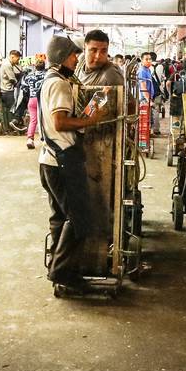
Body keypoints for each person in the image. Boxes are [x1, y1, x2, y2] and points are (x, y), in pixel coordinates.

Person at [38, 35, 109, 296]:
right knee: (79, 219)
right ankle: (63, 273)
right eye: (73, 55)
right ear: (60, 57)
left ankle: (57, 269)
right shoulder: (59, 84)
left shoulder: (51, 80)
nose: (76, 59)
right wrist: (91, 120)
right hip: (62, 161)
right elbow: (60, 123)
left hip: (49, 161)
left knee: (59, 217)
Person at [20, 53, 48, 150]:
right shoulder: (47, 75)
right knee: (44, 120)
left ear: (35, 67)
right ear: (44, 66)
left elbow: (24, 88)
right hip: (43, 100)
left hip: (32, 100)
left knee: (33, 120)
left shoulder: (29, 76)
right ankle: (45, 139)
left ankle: (30, 139)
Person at [137, 52, 160, 137]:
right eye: (146, 59)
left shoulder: (148, 70)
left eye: (150, 59)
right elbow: (143, 87)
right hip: (144, 99)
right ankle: (144, 137)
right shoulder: (142, 71)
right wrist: (148, 100)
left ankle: (148, 134)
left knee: (149, 118)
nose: (149, 61)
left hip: (148, 97)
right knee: (145, 119)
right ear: (142, 60)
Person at [0, 49, 24, 121]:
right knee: (13, 109)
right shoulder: (7, 65)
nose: (18, 61)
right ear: (12, 57)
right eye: (17, 59)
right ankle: (12, 123)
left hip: (8, 90)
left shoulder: (9, 64)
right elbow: (12, 79)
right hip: (8, 91)